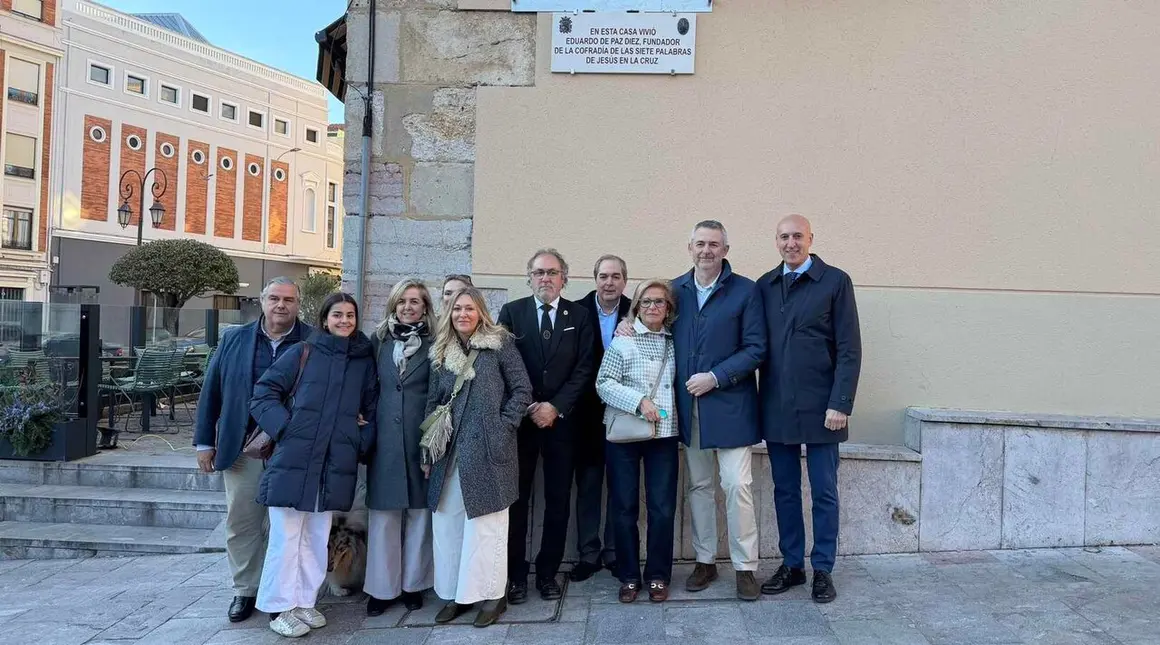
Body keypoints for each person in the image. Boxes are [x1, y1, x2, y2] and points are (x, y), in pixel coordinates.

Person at [617, 220, 765, 600]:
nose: (706, 251)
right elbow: (651, 320)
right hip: (687, 407)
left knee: (736, 485)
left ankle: (745, 566)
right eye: (700, 243)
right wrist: (626, 325)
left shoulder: (746, 291)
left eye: (714, 244)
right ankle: (704, 562)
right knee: (699, 486)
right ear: (689, 248)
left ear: (725, 250)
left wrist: (717, 377)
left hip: (731, 406)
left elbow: (756, 348)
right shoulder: (675, 291)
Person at [249, 292, 379, 638]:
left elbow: (371, 407)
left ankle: (305, 601)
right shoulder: (302, 352)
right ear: (325, 319)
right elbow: (263, 394)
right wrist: (287, 428)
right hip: (295, 460)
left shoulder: (362, 361)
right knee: (286, 538)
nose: (344, 321)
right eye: (338, 315)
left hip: (334, 463)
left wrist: (358, 441)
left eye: (350, 316)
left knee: (316, 537)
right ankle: (279, 608)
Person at [756, 214, 862, 604]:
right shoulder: (765, 286)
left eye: (797, 236)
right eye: (783, 236)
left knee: (824, 491)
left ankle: (823, 569)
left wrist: (841, 402)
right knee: (785, 490)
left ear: (811, 239)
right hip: (778, 404)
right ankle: (792, 565)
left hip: (824, 408)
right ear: (776, 241)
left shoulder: (835, 281)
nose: (790, 243)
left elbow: (850, 348)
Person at [193, 276, 311, 622]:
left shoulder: (313, 342)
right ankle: (245, 589)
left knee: (285, 528)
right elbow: (211, 392)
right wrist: (204, 442)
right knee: (242, 522)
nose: (281, 305)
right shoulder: (235, 340)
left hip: (290, 451)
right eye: (274, 298)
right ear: (262, 301)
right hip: (241, 448)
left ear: (298, 304)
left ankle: (281, 593)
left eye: (288, 299)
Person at [425, 286, 533, 628]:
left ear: (481, 312)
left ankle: (491, 595)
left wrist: (504, 426)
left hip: (489, 449)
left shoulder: (500, 345)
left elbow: (522, 390)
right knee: (448, 524)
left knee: (487, 526)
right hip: (448, 452)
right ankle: (455, 594)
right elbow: (433, 400)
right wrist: (428, 448)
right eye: (457, 309)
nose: (463, 315)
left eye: (469, 308)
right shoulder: (441, 350)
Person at [497, 249, 595, 603]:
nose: (545, 279)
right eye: (538, 272)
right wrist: (528, 406)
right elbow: (504, 365)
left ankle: (548, 573)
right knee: (517, 500)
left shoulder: (580, 316)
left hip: (562, 425)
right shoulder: (512, 313)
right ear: (529, 277)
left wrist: (556, 407)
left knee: (557, 500)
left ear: (564, 278)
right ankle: (516, 574)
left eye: (552, 273)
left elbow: (585, 368)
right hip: (521, 425)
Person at [596, 279, 679, 603]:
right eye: (646, 302)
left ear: (668, 308)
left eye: (659, 302)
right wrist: (638, 401)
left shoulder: (675, 343)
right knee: (624, 507)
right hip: (625, 435)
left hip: (665, 435)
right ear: (637, 307)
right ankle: (629, 575)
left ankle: (658, 575)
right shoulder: (623, 341)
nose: (653, 307)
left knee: (662, 508)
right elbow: (603, 383)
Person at [363, 279, 436, 615]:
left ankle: (413, 585)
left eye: (415, 302)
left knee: (420, 515)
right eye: (402, 301)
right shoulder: (377, 342)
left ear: (425, 307)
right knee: (384, 517)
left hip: (419, 439)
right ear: (393, 305)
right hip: (385, 441)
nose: (408, 307)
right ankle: (381, 589)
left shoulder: (435, 343)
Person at [570, 254, 631, 581]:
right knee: (589, 487)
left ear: (624, 280)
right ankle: (588, 554)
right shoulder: (576, 311)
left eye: (616, 277)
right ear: (595, 279)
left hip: (623, 414)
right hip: (586, 416)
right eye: (604, 276)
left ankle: (614, 553)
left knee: (621, 488)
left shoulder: (637, 312)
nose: (609, 283)